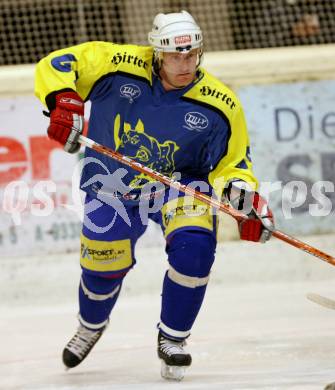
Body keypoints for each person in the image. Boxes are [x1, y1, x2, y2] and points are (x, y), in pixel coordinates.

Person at [34, 10, 274, 381]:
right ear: (157, 53)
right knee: (101, 270)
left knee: (194, 251)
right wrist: (62, 99)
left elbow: (234, 164)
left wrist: (246, 203)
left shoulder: (220, 103)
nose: (185, 64)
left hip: (181, 187)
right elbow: (59, 63)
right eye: (176, 56)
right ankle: (91, 324)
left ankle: (173, 339)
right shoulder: (117, 64)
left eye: (192, 55)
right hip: (111, 185)